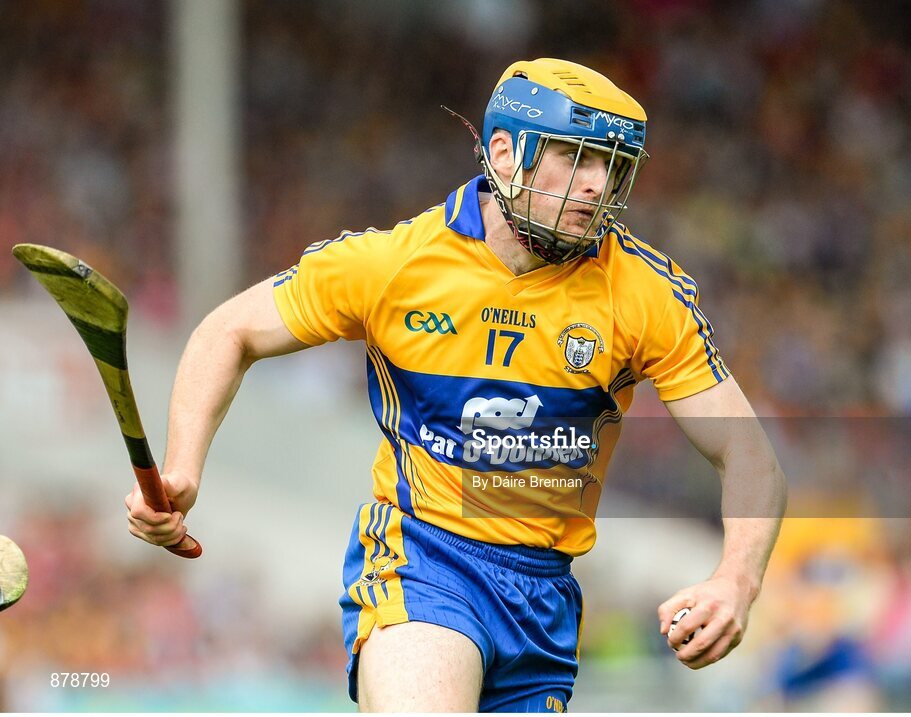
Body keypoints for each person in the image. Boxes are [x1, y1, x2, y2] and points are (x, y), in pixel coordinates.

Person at [125, 58, 787, 712]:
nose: (596, 185)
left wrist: (737, 578)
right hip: (423, 559)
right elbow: (226, 331)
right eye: (577, 157)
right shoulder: (394, 264)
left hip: (543, 601)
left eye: (612, 166)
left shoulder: (646, 293)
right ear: (504, 152)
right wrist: (183, 465)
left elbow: (750, 454)